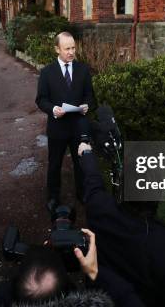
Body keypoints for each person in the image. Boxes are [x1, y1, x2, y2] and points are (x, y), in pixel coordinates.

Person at [77, 142, 165, 307]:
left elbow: (93, 182)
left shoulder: (99, 207)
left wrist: (87, 155)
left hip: (97, 297)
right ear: (159, 194)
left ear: (121, 188)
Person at [0, 229, 143, 307]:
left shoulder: (4, 295)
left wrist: (19, 278)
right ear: (70, 289)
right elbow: (128, 299)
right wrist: (94, 273)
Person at [35, 32, 95, 211]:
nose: (71, 52)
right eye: (67, 48)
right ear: (57, 49)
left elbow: (90, 96)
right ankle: (53, 197)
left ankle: (82, 193)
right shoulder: (47, 72)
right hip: (57, 127)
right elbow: (41, 99)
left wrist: (86, 105)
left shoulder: (83, 70)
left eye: (73, 48)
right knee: (54, 164)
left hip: (78, 126)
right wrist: (53, 109)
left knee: (80, 163)